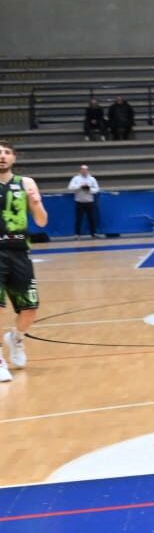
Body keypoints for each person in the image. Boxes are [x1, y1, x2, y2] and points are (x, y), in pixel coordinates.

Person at [0, 142, 48, 382]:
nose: (2, 156)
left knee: (30, 309)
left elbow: (41, 222)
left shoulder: (26, 183)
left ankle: (16, 338)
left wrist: (37, 203)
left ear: (14, 158)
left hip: (19, 251)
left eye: (6, 152)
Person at [67, 164, 101, 238]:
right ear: (80, 170)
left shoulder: (92, 179)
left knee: (91, 218)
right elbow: (70, 188)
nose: (84, 171)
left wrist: (89, 189)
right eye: (82, 169)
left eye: (85, 170)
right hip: (79, 201)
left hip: (89, 202)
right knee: (78, 218)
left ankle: (93, 233)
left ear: (87, 170)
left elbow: (97, 189)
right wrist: (79, 186)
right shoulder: (76, 178)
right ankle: (77, 234)